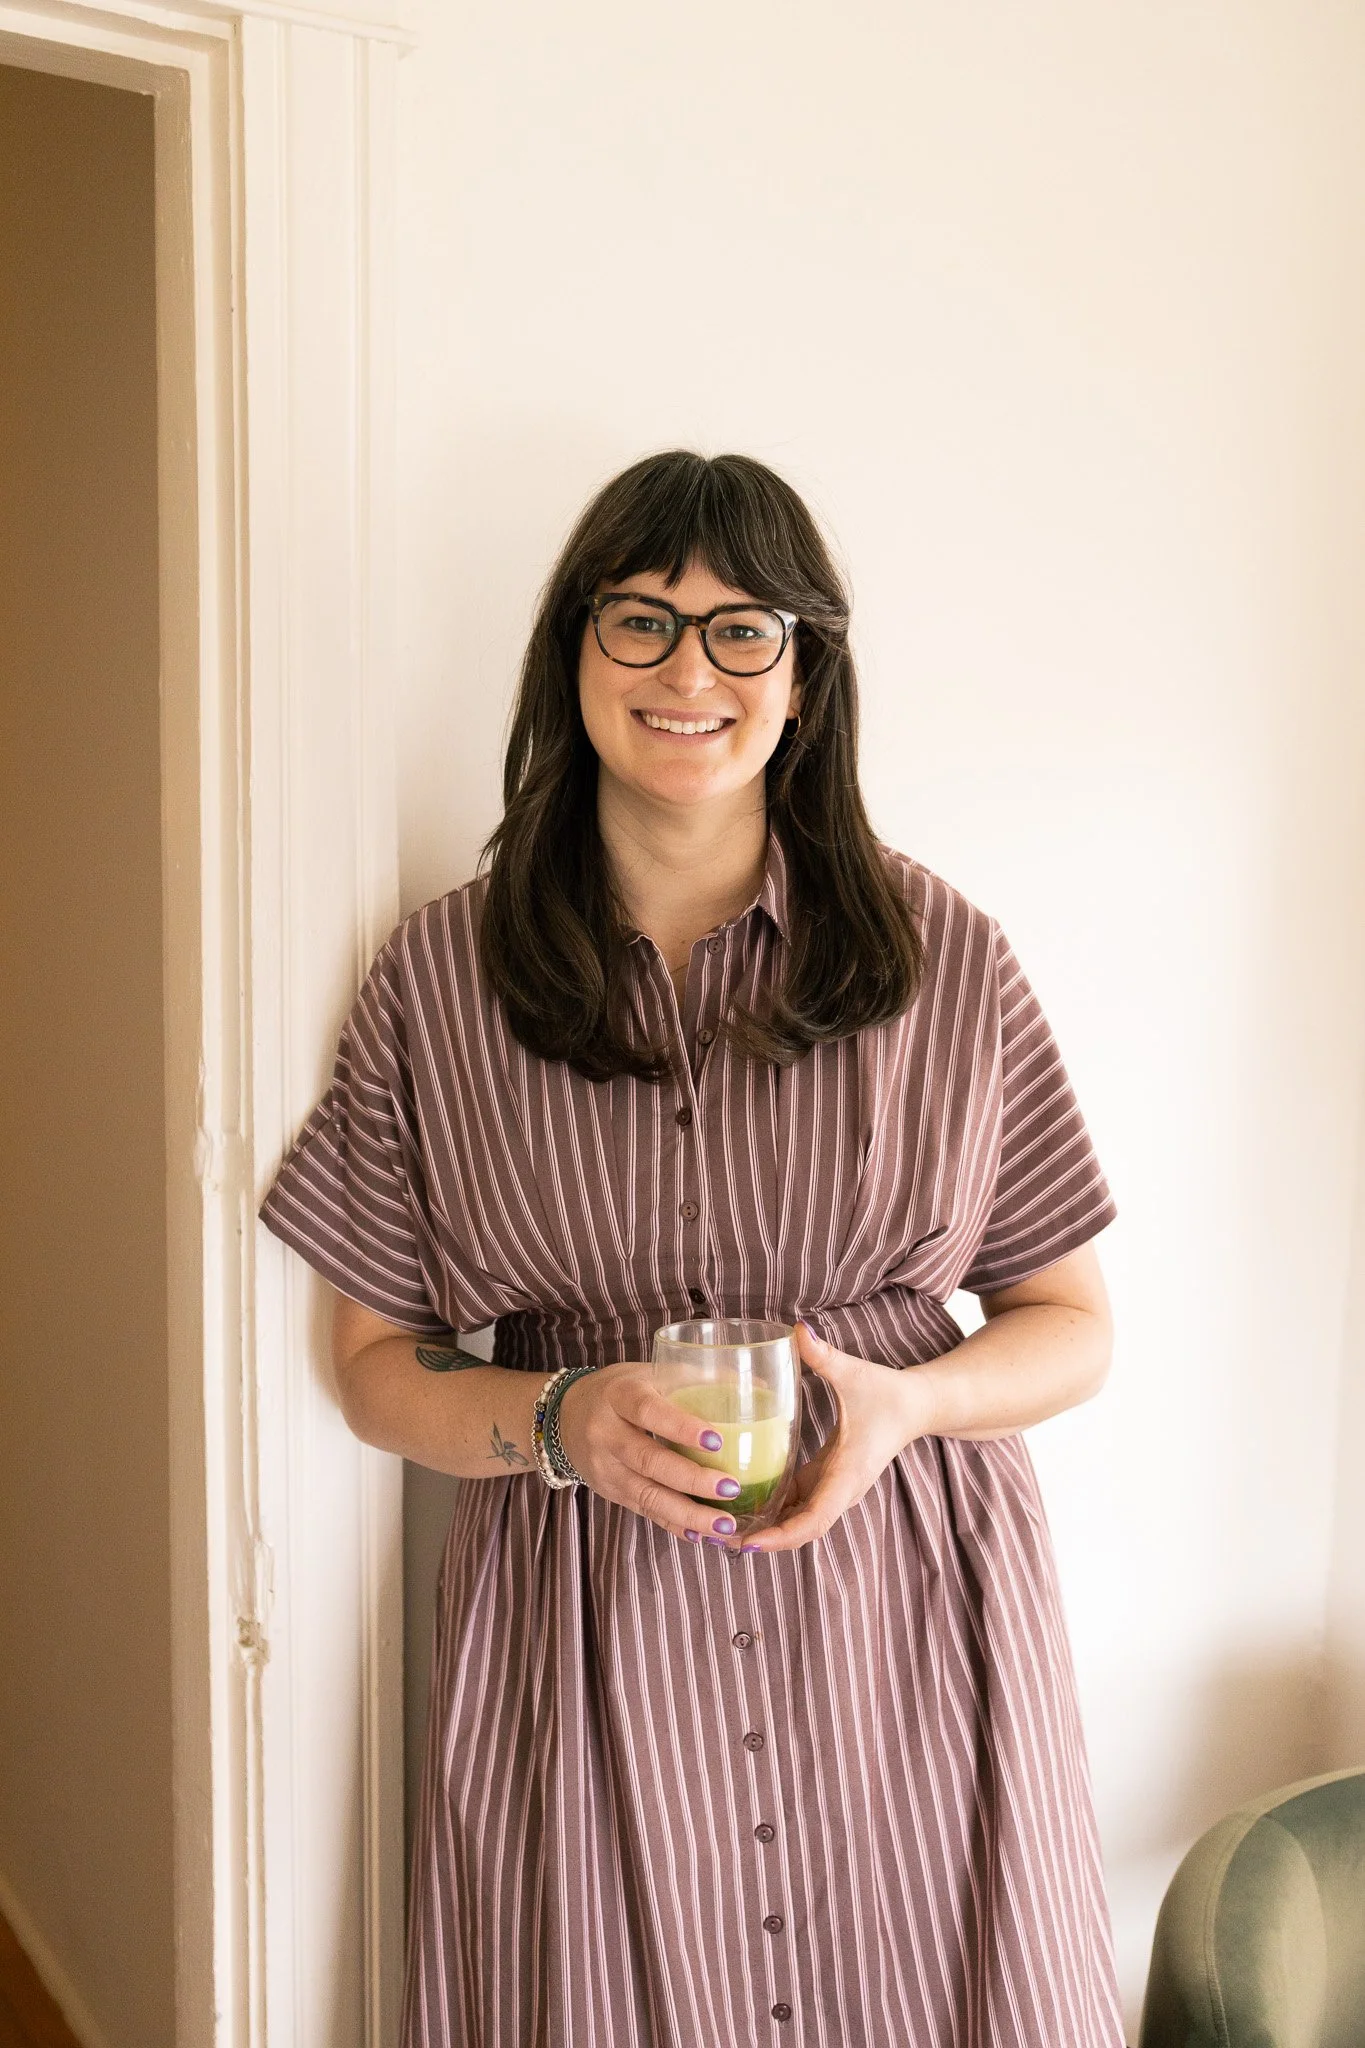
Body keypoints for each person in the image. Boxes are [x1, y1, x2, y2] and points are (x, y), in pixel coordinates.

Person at [260, 450, 1124, 2047]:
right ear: (572, 653)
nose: (688, 672)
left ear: (805, 679)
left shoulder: (947, 959)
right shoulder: (439, 984)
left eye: (744, 633)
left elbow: (1071, 1320)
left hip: (909, 1641)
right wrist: (558, 1421)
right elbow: (374, 1369)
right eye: (642, 621)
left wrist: (911, 1404)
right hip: (580, 1659)